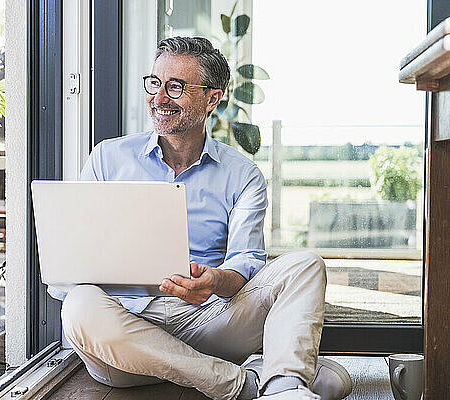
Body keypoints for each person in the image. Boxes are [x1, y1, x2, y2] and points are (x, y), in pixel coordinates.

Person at [56, 36, 352, 400]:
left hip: (206, 321)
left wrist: (213, 280)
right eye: (155, 83)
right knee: (78, 306)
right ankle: (246, 383)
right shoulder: (107, 159)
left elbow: (245, 265)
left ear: (212, 98)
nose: (159, 97)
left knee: (305, 264)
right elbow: (72, 268)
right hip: (123, 332)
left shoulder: (242, 175)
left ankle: (284, 390)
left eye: (176, 87)